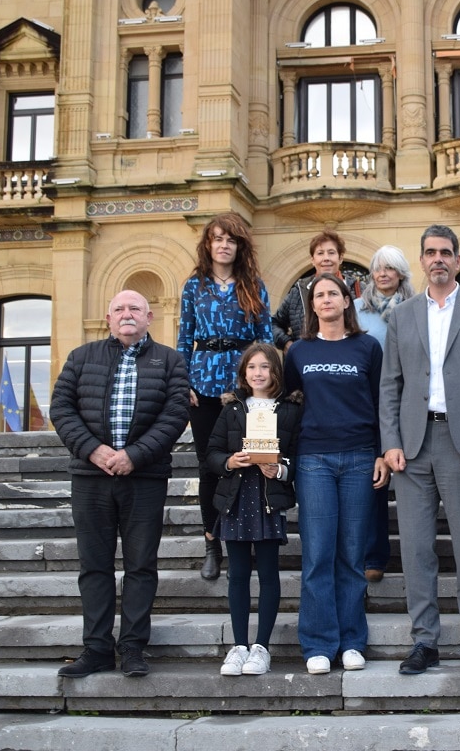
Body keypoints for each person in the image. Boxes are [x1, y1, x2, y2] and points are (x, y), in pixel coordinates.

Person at [379, 225, 460, 675]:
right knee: (416, 548)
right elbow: (390, 385)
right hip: (412, 447)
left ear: (457, 259)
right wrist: (390, 442)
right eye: (430, 252)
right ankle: (425, 641)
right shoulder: (402, 315)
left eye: (446, 253)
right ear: (421, 259)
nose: (438, 259)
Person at [50, 290, 189, 678]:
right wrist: (93, 450)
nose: (127, 315)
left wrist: (135, 454)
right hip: (91, 477)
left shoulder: (170, 360)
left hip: (143, 477)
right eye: (119, 309)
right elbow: (61, 408)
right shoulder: (81, 357)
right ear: (108, 318)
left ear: (149, 318)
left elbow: (175, 412)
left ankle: (132, 648)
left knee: (141, 566)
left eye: (135, 309)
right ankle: (95, 648)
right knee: (94, 566)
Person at [284, 273, 389, 675]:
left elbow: (383, 403)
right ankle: (318, 642)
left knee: (351, 553)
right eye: (319, 295)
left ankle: (351, 641)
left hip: (361, 457)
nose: (326, 299)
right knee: (317, 554)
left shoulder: (368, 347)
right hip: (314, 460)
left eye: (333, 293)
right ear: (312, 306)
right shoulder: (298, 352)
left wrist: (381, 452)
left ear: (348, 301)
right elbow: (290, 404)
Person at [176, 213, 273, 581]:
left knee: (252, 461)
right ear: (208, 244)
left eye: (230, 239)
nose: (223, 245)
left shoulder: (254, 285)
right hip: (203, 384)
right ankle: (212, 541)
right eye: (217, 238)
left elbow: (264, 339)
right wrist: (183, 381)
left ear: (239, 245)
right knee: (211, 466)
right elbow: (185, 338)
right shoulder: (193, 286)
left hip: (246, 384)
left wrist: (263, 384)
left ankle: (249, 539)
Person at [207, 343, 302, 677]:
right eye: (252, 367)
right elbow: (212, 452)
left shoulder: (289, 410)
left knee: (267, 572)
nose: (258, 373)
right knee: (237, 573)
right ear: (243, 373)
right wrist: (230, 461)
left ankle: (261, 646)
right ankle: (238, 645)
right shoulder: (232, 409)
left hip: (267, 498)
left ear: (276, 372)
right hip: (236, 498)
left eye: (265, 367)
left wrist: (281, 470)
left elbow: (296, 454)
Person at [354, 245, 415, 584]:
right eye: (378, 268)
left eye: (390, 268)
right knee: (374, 479)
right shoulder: (356, 311)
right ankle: (373, 555)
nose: (383, 274)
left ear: (401, 273)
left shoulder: (418, 308)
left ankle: (416, 554)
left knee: (410, 480)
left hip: (410, 403)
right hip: (368, 402)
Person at [272, 230, 352, 352]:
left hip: (349, 358)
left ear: (340, 258)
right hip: (307, 362)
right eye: (320, 253)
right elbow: (272, 324)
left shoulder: (357, 288)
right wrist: (288, 344)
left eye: (331, 253)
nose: (326, 258)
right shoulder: (298, 291)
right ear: (313, 260)